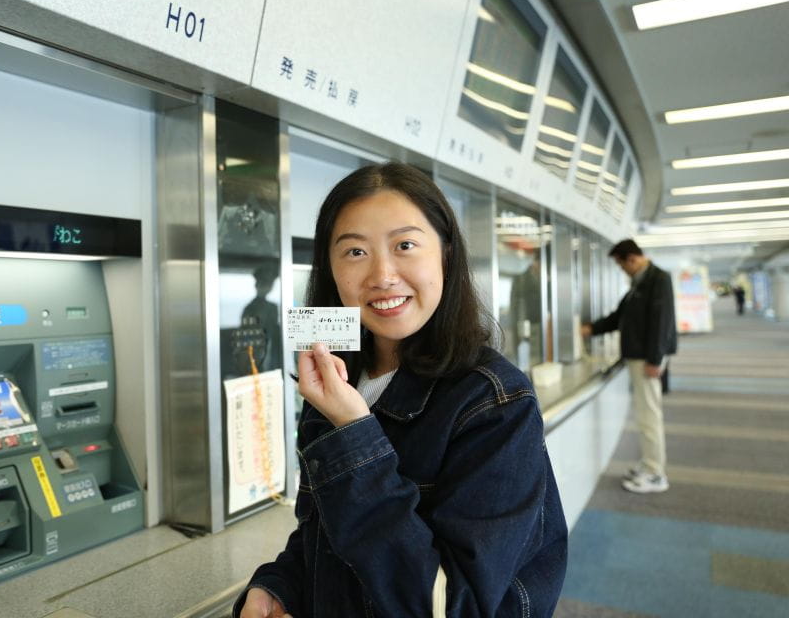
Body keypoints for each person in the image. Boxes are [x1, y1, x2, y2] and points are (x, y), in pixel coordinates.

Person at [234, 163, 567, 618]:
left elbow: (453, 603)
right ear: (330, 270)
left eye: (405, 245)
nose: (382, 275)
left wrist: (353, 433)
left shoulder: (493, 402)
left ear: (446, 254)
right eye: (354, 252)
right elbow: (323, 533)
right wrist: (281, 585)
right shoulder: (338, 382)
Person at [580, 239, 677, 494]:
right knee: (645, 415)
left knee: (649, 415)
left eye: (622, 266)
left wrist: (655, 359)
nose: (623, 271)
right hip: (640, 358)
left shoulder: (658, 279)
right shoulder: (639, 284)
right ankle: (649, 464)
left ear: (631, 259)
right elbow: (619, 317)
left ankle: (656, 474)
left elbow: (662, 321)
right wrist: (589, 329)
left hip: (647, 359)